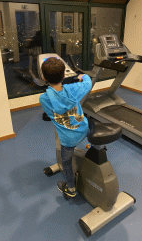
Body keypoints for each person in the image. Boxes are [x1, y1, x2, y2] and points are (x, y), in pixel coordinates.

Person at [39, 57, 92, 198]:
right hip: (83, 130)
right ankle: (92, 148)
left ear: (43, 77)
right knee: (90, 124)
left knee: (66, 163)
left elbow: (52, 111)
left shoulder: (44, 99)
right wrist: (83, 76)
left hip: (68, 140)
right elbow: (88, 83)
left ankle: (71, 189)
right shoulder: (73, 89)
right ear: (63, 75)